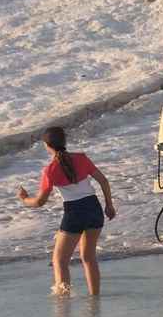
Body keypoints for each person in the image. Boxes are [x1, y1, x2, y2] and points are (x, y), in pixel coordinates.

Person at [17, 126, 116, 296]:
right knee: (88, 258)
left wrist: (24, 199)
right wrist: (109, 204)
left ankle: (64, 305)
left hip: (74, 212)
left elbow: (40, 202)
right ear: (64, 142)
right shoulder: (81, 158)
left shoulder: (50, 170)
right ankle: (95, 298)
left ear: (47, 145)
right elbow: (103, 181)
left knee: (60, 260)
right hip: (94, 208)